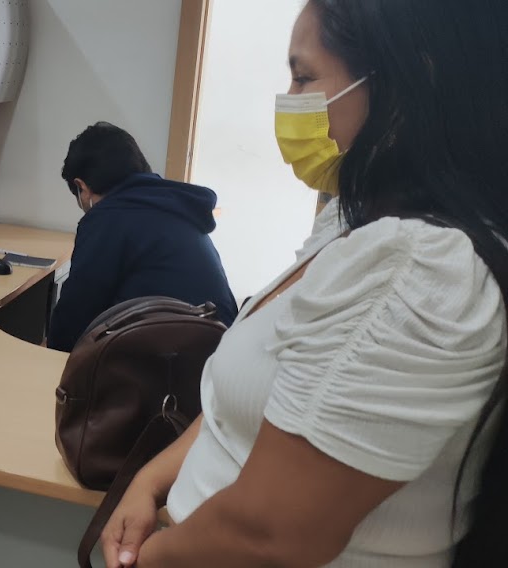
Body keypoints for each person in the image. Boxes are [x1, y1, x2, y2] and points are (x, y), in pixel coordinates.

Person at [100, 0, 508, 566]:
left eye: (305, 77)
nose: (289, 101)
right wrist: (149, 482)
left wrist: (148, 559)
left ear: (407, 81)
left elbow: (270, 534)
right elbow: (249, 401)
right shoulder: (351, 220)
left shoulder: (417, 268)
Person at [48, 122, 238, 352]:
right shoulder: (173, 206)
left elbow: (73, 318)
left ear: (82, 187)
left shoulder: (108, 218)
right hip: (221, 350)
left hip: (178, 362)